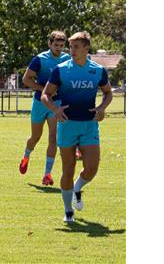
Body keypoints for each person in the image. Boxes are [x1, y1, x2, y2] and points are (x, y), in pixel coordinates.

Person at [41, 31, 113, 222]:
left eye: (76, 47)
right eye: (70, 47)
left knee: (92, 168)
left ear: (86, 48)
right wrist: (54, 109)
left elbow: (108, 93)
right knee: (68, 169)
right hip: (67, 125)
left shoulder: (97, 70)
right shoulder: (61, 69)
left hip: (89, 125)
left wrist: (102, 108)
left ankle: (78, 188)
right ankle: (68, 211)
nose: (71, 50)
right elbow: (45, 95)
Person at [19, 30, 71, 186]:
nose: (59, 48)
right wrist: (44, 90)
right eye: (56, 45)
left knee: (53, 137)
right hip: (39, 103)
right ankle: (26, 156)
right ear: (49, 44)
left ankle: (47, 174)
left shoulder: (67, 59)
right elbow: (26, 79)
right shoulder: (40, 59)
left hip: (56, 104)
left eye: (62, 45)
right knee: (35, 138)